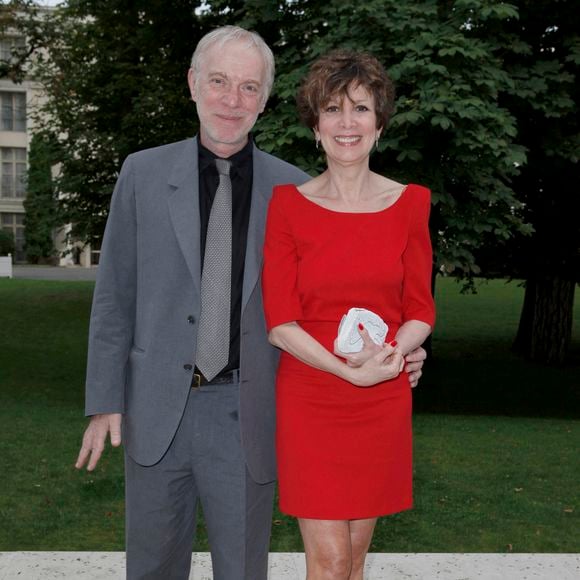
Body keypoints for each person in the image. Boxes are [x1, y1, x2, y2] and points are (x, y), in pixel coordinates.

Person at [74, 26, 427, 580]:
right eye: (218, 82)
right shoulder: (141, 174)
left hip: (248, 412)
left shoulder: (294, 192)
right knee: (151, 568)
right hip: (156, 408)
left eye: (247, 87)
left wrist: (395, 353)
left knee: (242, 570)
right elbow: (114, 297)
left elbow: (339, 297)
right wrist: (104, 399)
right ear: (193, 84)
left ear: (263, 101)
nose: (231, 100)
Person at [262, 49, 435, 580]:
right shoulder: (287, 205)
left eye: (360, 109)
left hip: (380, 395)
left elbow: (420, 311)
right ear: (315, 126)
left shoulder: (411, 204)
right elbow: (280, 323)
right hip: (311, 395)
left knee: (354, 560)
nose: (346, 123)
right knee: (330, 561)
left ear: (379, 124)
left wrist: (390, 357)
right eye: (332, 109)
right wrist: (346, 371)